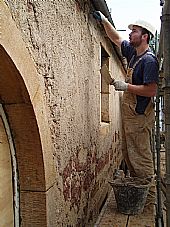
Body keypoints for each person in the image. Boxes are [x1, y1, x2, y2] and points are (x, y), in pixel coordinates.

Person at [93, 11, 159, 182]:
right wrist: (104, 21)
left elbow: (151, 90)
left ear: (144, 36)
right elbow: (116, 39)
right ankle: (139, 190)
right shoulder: (133, 52)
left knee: (140, 155)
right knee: (129, 152)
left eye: (134, 31)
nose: (130, 33)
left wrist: (126, 86)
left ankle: (147, 199)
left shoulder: (149, 60)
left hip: (139, 115)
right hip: (130, 114)